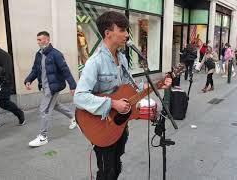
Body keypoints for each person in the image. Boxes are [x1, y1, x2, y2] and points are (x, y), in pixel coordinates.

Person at [73, 11, 172, 180]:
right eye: (123, 30)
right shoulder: (95, 62)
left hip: (119, 126)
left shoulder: (122, 59)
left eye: (127, 30)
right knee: (106, 172)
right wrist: (112, 104)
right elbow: (79, 97)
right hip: (101, 125)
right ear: (108, 33)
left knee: (116, 167)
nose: (127, 34)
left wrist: (158, 85)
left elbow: (131, 88)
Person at [24, 31, 77, 147]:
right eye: (37, 40)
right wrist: (28, 80)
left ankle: (43, 137)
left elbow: (65, 70)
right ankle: (73, 117)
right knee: (56, 105)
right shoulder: (38, 54)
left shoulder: (56, 54)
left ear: (47, 40)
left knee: (44, 110)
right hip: (44, 87)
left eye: (40, 40)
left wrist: (73, 85)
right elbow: (35, 70)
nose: (38, 42)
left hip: (53, 87)